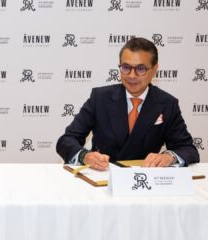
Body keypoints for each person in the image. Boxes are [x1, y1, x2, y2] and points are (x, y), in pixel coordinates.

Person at [56, 37, 199, 170]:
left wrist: (169, 157)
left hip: (144, 182)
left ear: (154, 69)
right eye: (126, 67)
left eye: (140, 69)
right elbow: (66, 140)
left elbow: (187, 149)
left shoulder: (167, 103)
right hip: (102, 178)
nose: (131, 75)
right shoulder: (100, 98)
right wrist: (85, 156)